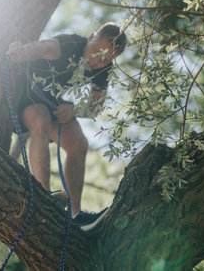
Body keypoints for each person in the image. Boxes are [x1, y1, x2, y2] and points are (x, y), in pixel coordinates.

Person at [7, 22, 127, 231]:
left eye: (108, 58)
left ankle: (75, 215)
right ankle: (43, 196)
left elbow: (95, 107)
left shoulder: (103, 69)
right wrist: (20, 52)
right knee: (41, 119)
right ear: (90, 37)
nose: (100, 60)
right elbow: (42, 47)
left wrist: (75, 111)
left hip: (52, 104)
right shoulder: (68, 44)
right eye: (99, 51)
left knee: (78, 143)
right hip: (24, 100)